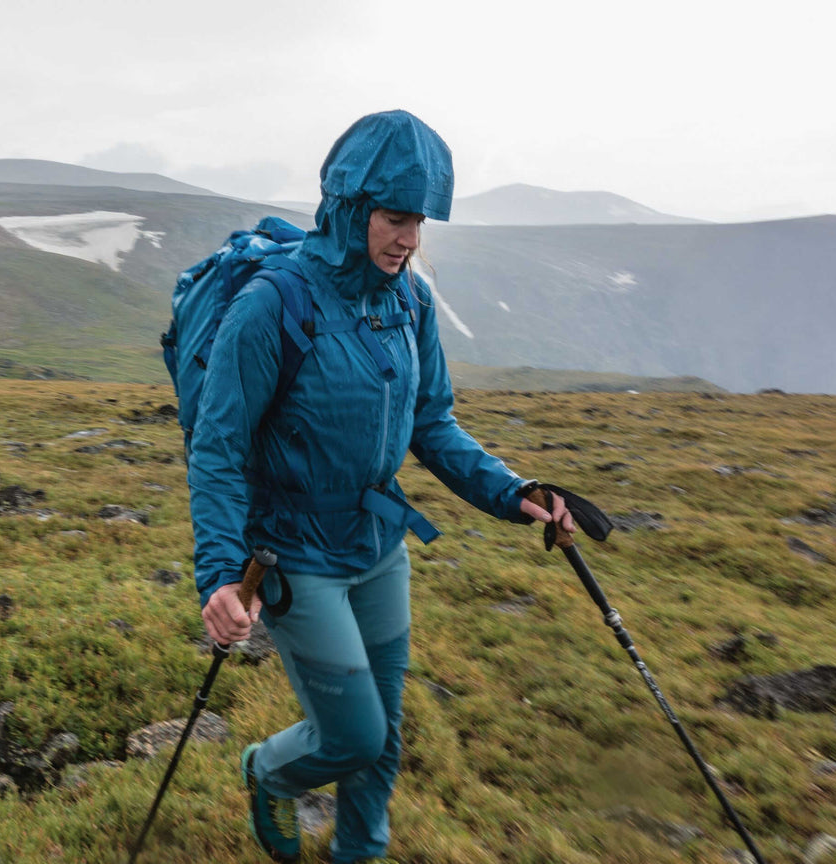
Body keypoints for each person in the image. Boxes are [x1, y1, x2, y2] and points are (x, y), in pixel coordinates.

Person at [188, 110, 575, 864]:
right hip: (297, 557)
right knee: (352, 736)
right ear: (350, 206)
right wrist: (219, 575)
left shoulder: (409, 300)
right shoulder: (272, 306)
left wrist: (512, 491)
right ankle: (266, 772)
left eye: (420, 221)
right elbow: (220, 449)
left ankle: (358, 855)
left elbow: (432, 424)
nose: (409, 238)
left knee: (386, 739)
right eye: (396, 217)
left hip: (378, 547)